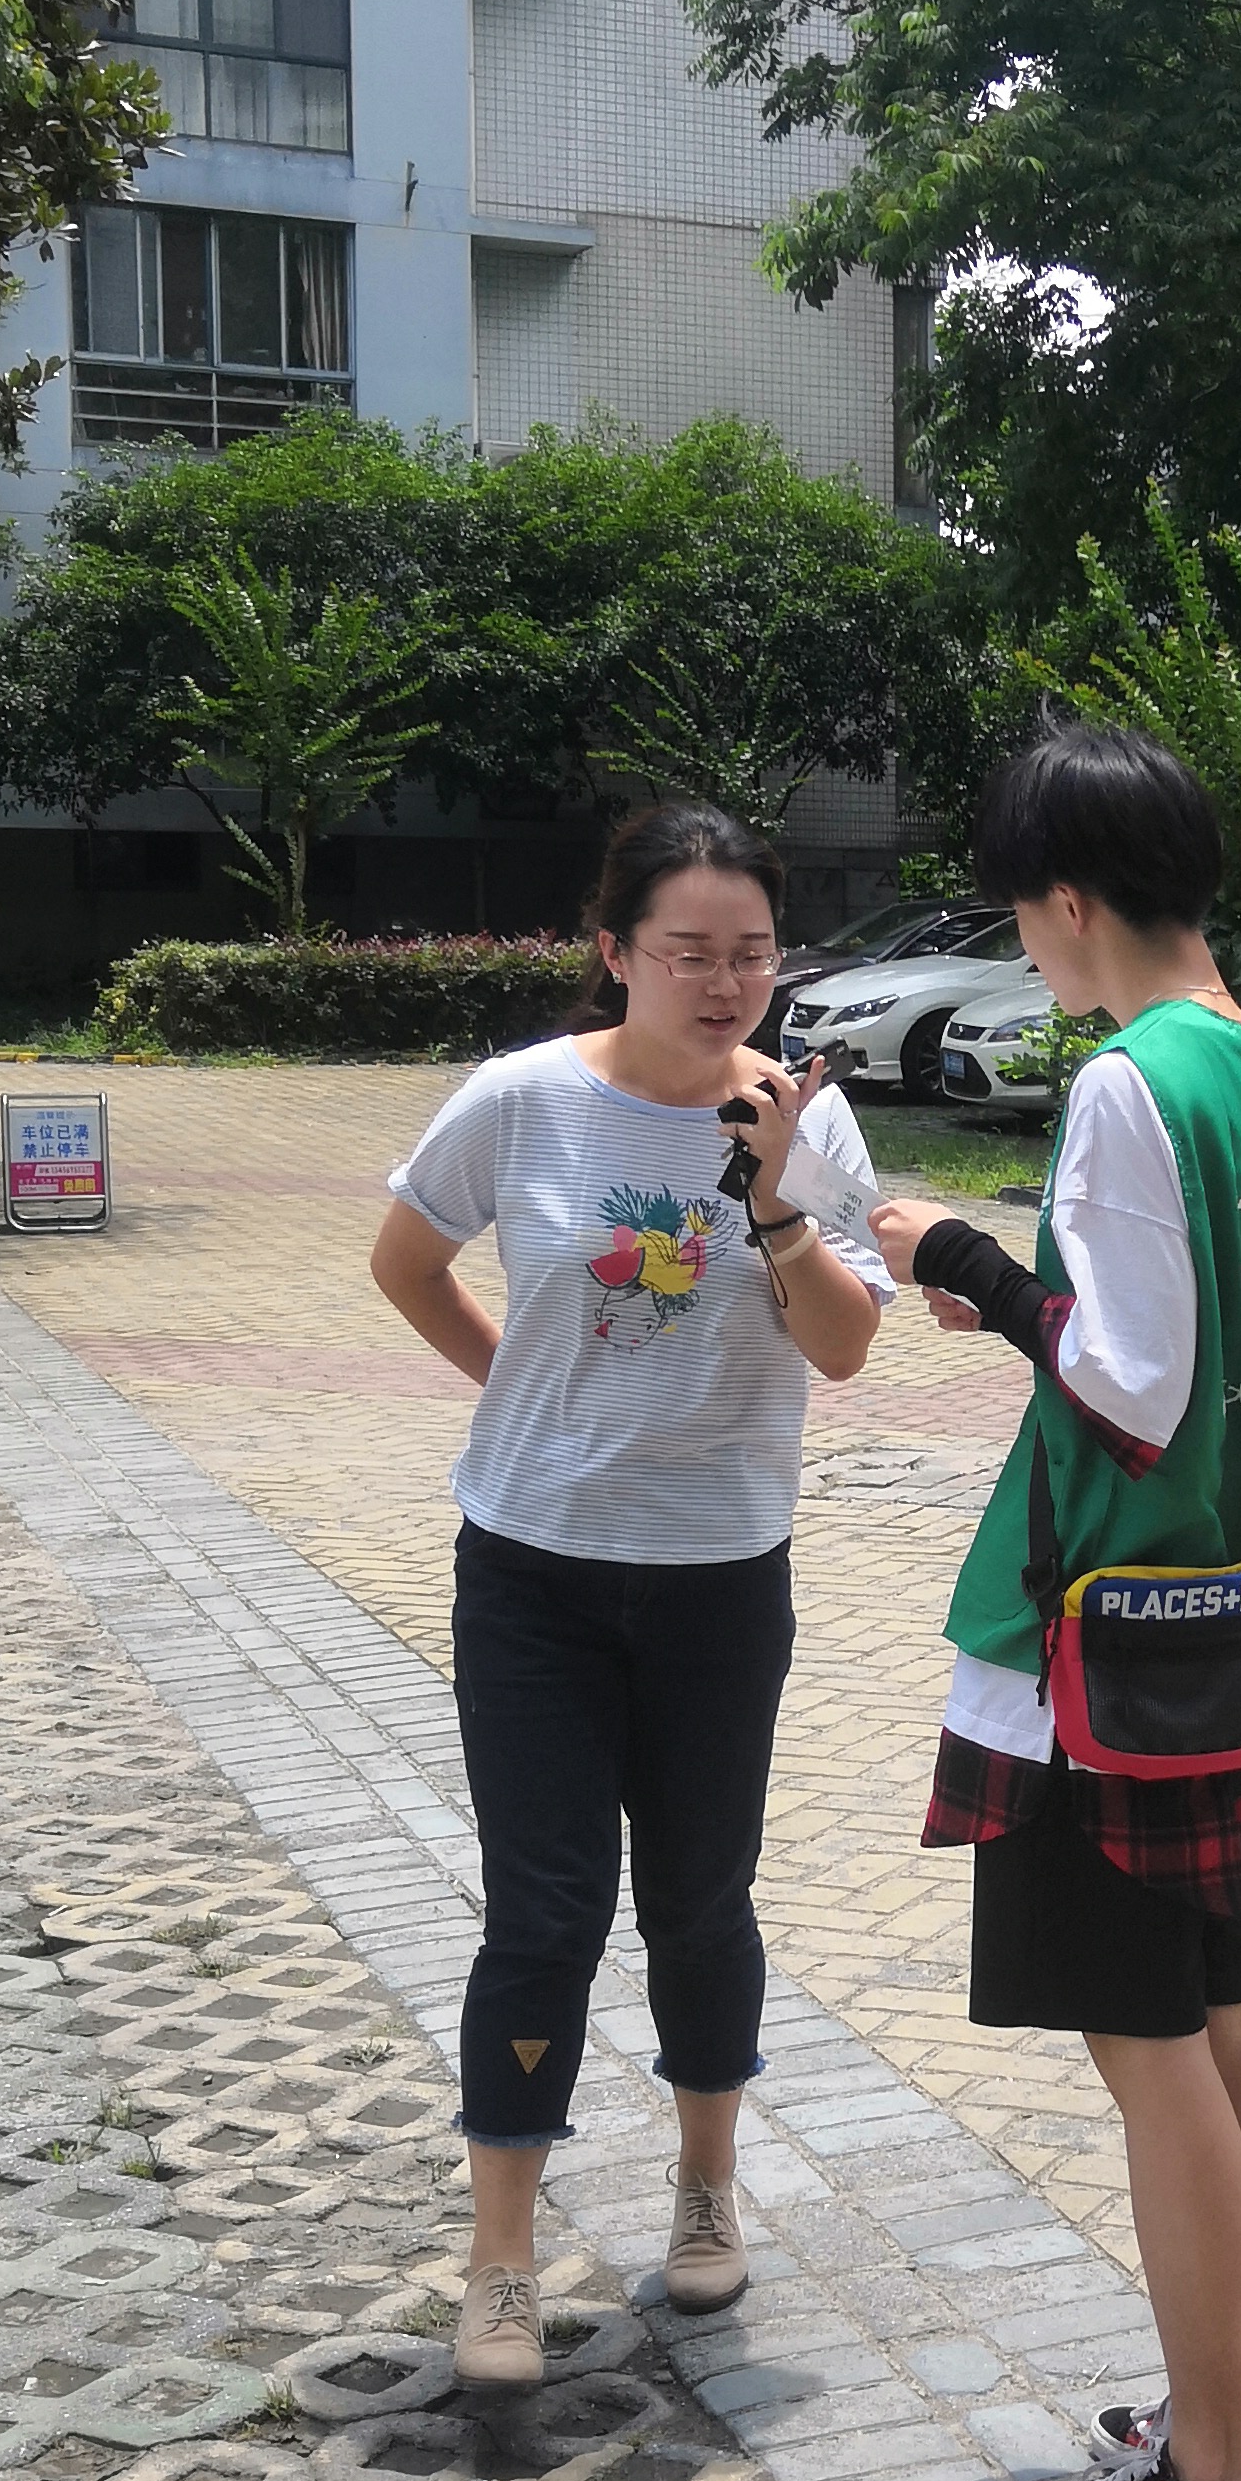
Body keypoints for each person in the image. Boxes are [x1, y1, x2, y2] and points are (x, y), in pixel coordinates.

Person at [868, 723, 1241, 2481]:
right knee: (1227, 2021)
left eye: (1021, 914)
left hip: (1112, 1647)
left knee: (1152, 2051)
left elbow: (1131, 1386)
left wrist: (963, 1263)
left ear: (1068, 901)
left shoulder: (1132, 1081)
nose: (1024, 947)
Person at [369, 799, 887, 2390]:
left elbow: (845, 1348)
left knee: (700, 1900)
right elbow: (404, 1262)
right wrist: (518, 1395)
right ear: (615, 952)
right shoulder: (521, 1100)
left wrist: (776, 1198)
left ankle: (705, 2186)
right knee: (543, 1914)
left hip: (720, 1577)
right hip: (532, 1576)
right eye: (689, 952)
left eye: (753, 953)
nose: (726, 983)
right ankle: (502, 2260)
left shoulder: (806, 1126)